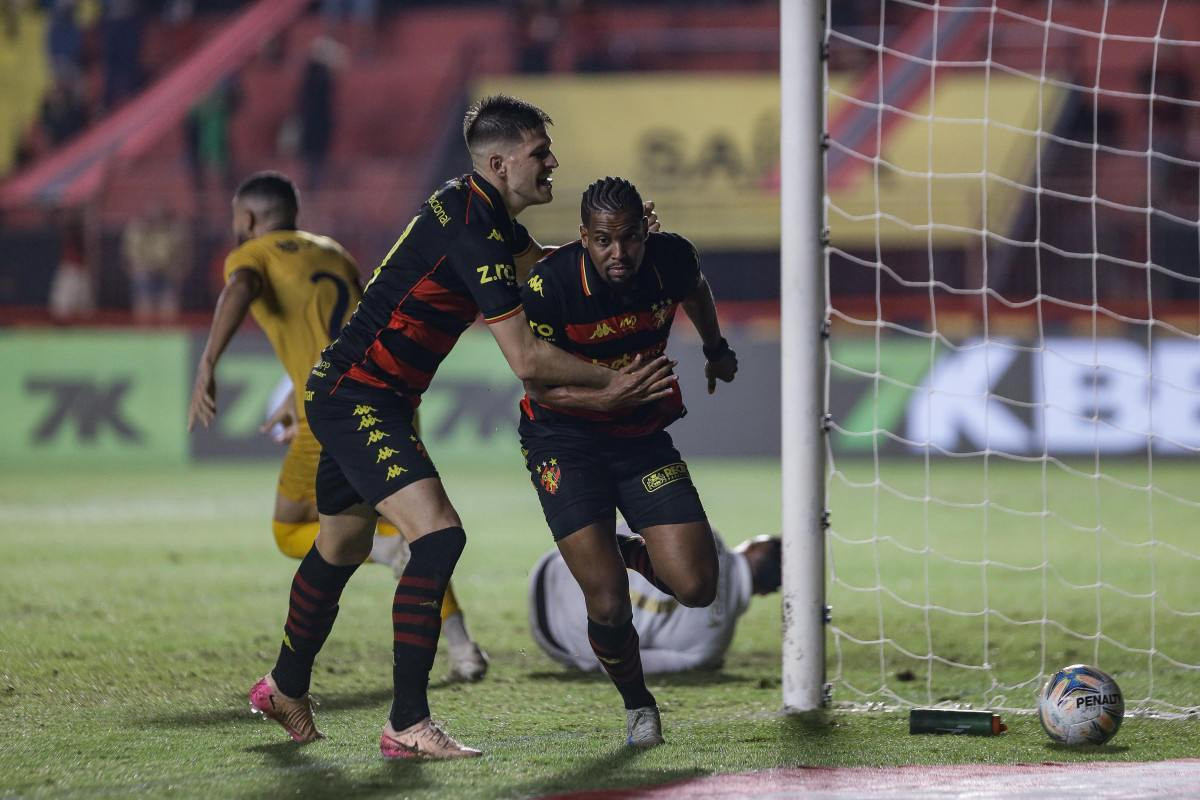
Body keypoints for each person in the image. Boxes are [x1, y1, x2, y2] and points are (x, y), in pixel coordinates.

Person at [245, 96, 676, 760]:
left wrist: (610, 249)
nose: (552, 162)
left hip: (355, 390)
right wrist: (611, 384)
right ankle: (407, 724)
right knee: (438, 536)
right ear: (501, 163)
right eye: (540, 153)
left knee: (342, 545)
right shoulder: (476, 227)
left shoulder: (481, 211)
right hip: (361, 395)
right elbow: (526, 359)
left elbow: (538, 270)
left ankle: (284, 686)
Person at [186, 172, 489, 684]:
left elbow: (240, 287)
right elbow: (353, 327)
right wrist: (293, 388)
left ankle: (388, 555)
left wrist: (208, 361)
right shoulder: (332, 252)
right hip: (387, 401)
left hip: (332, 415)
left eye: (238, 218)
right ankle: (462, 649)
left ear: (250, 219)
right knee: (421, 528)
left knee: (290, 531)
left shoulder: (251, 256)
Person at [517, 176, 738, 747]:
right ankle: (639, 705)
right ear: (583, 237)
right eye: (604, 241)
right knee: (609, 602)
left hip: (640, 438)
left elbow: (697, 291)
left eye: (631, 238)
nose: (620, 254)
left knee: (696, 586)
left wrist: (716, 349)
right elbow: (539, 387)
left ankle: (615, 547)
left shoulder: (672, 258)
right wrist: (607, 396)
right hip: (563, 440)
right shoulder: (551, 284)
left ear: (648, 228)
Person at [530, 524, 781, 673]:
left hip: (554, 568)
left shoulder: (707, 535)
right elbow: (626, 664)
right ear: (765, 592)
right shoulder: (713, 646)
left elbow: (617, 529)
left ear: (753, 547)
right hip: (555, 638)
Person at [120, 202, 190, 323]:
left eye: (160, 215)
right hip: (145, 272)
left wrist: (178, 269)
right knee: (142, 287)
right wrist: (141, 267)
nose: (157, 218)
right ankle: (144, 327)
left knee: (168, 303)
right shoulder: (138, 229)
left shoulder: (175, 230)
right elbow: (131, 255)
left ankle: (168, 328)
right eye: (153, 215)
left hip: (168, 273)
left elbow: (182, 254)